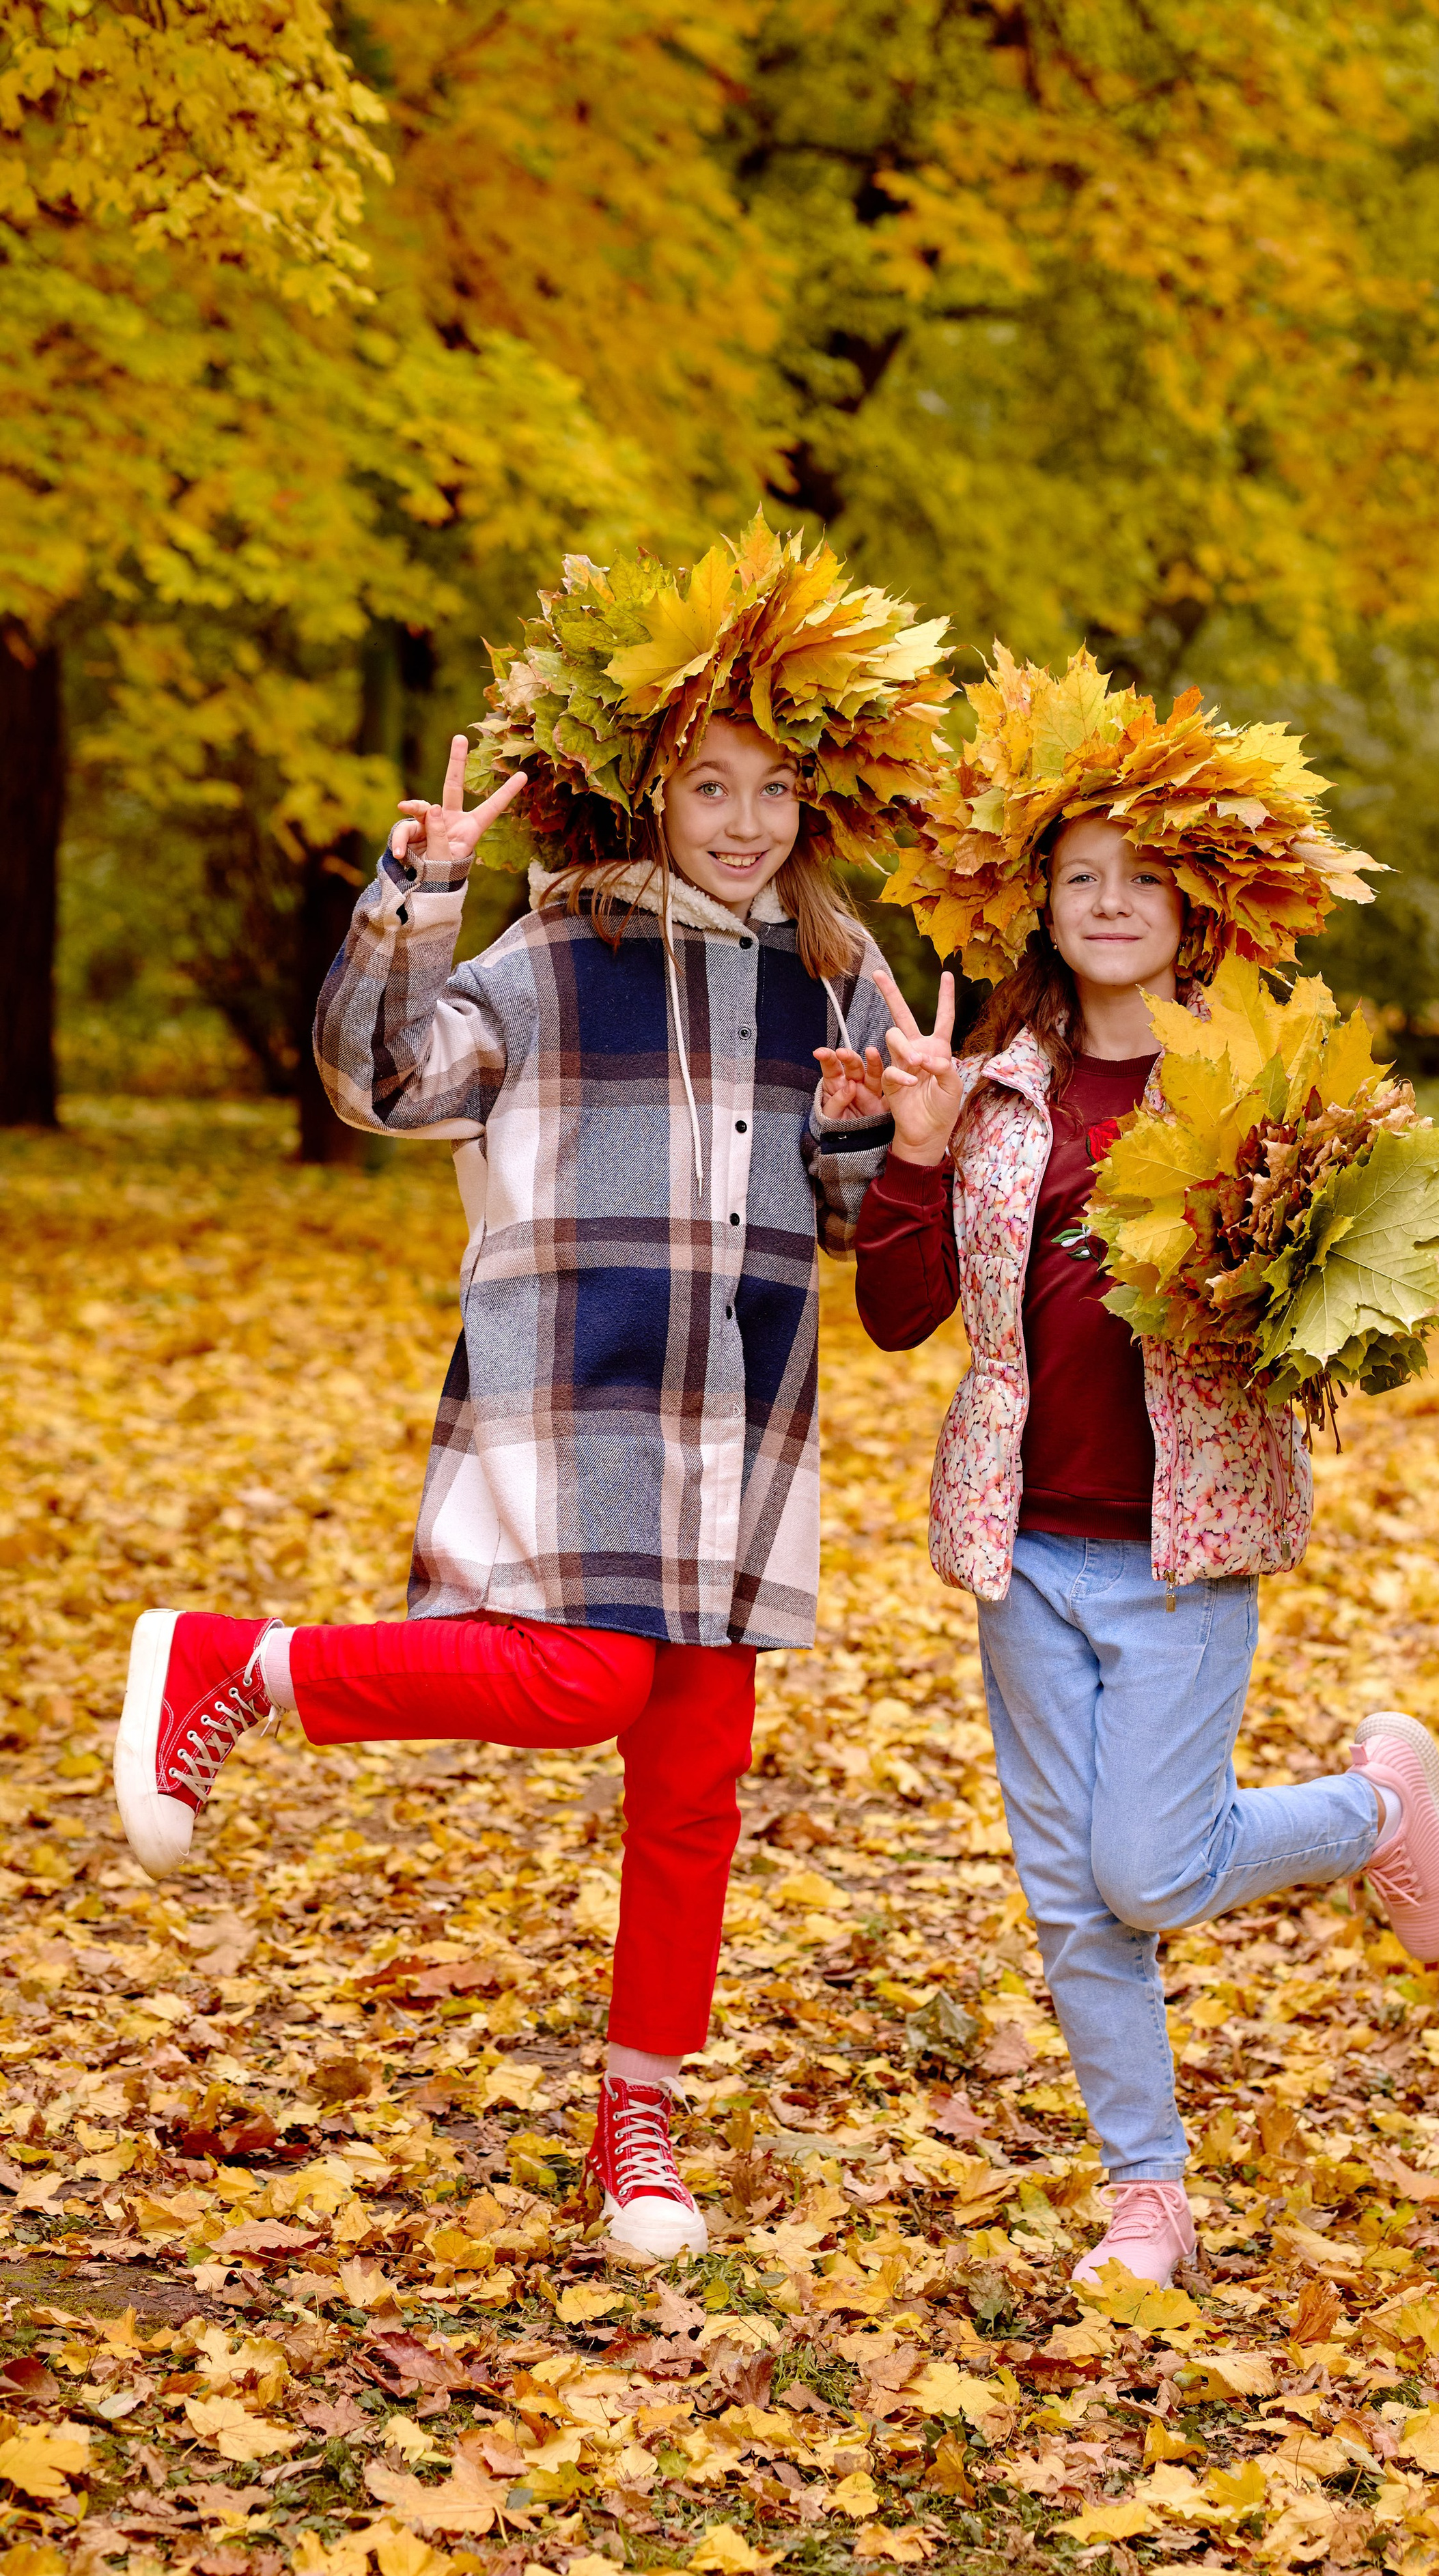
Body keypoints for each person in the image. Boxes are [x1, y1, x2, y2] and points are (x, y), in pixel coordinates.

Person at [111, 520, 948, 2259]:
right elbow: (381, 1082)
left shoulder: (836, 970)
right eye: (708, 786)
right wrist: (416, 899)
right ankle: (240, 1663)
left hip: (740, 1420)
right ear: (646, 791)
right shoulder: (552, 956)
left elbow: (860, 1227)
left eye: (772, 790)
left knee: (697, 1770)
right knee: (577, 1682)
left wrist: (887, 1137)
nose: (743, 821)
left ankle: (637, 2118)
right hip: (573, 1394)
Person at [837, 724, 1439, 2291]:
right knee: (1072, 1897)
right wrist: (913, 1153)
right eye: (1077, 880)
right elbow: (896, 1315)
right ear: (1038, 905)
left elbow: (1365, 1312)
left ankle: (1376, 1812)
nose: (1107, 904)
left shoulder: (1266, 1087)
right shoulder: (989, 1093)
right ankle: (1147, 2195)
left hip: (1183, 1549)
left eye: (1139, 880)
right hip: (1019, 1546)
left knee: (1149, 1866)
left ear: (1195, 909)